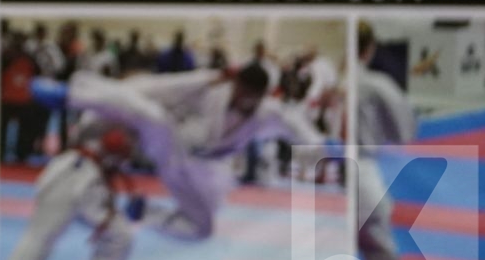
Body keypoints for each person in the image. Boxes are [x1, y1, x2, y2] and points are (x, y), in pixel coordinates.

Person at [37, 62, 324, 241]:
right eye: (242, 91)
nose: (245, 100)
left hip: (203, 171)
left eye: (252, 97)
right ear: (236, 83)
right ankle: (68, 94)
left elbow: (297, 124)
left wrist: (321, 144)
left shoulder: (268, 113)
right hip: (170, 143)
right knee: (149, 111)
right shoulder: (212, 85)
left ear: (262, 95)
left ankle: (143, 213)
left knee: (202, 229)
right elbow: (159, 87)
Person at [0, 120, 139, 260]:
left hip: (94, 179)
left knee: (120, 236)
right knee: (36, 242)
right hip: (73, 172)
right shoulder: (104, 110)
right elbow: (101, 135)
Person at [350, 21, 418, 260]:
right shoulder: (375, 84)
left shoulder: (326, 81)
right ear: (369, 49)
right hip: (360, 171)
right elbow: (405, 131)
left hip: (318, 172)